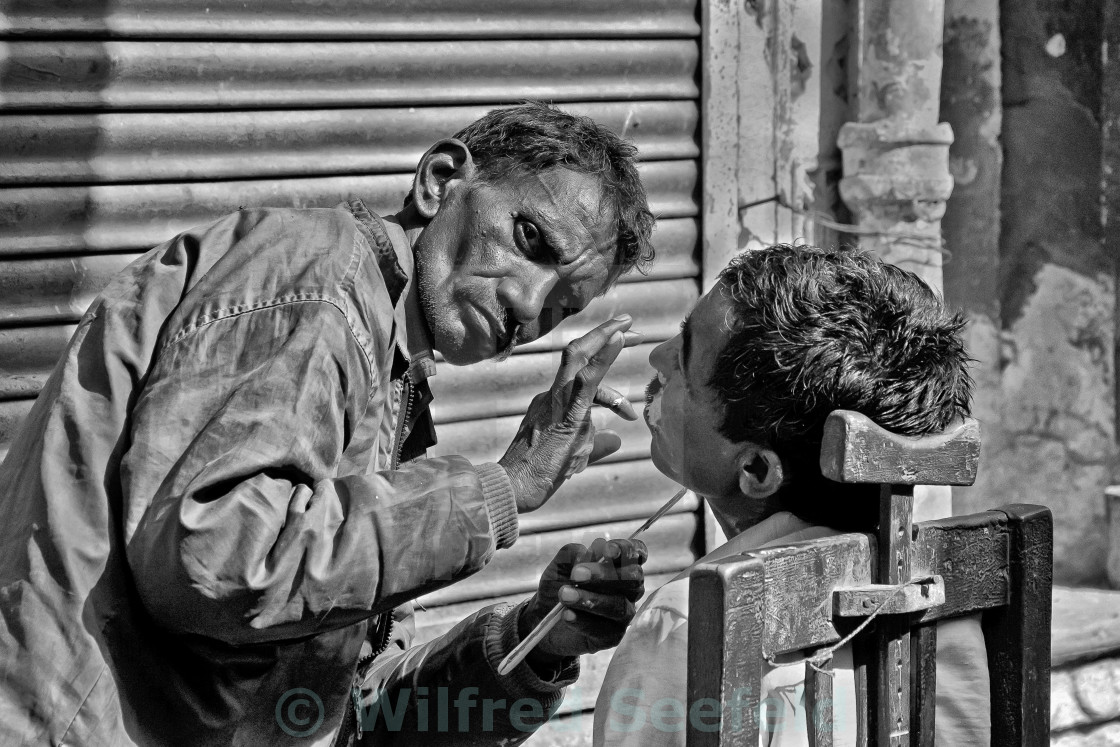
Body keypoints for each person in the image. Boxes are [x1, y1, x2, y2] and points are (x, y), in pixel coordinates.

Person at [0, 103, 654, 746]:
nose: (529, 305)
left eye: (564, 307)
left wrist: (539, 642)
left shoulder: (391, 381)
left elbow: (353, 711)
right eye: (530, 239)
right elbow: (217, 562)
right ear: (440, 181)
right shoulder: (317, 279)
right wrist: (499, 491)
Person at [593, 245, 990, 746]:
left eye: (684, 357)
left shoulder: (689, 625)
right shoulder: (949, 603)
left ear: (757, 469)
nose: (656, 358)